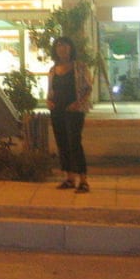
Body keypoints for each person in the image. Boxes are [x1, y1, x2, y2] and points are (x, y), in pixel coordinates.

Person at [46, 36, 92, 193]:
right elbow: (51, 90)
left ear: (71, 48)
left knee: (74, 143)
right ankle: (69, 178)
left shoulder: (79, 67)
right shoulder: (53, 70)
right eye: (58, 46)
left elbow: (88, 88)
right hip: (57, 110)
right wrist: (48, 101)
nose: (61, 49)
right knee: (62, 143)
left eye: (65, 45)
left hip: (74, 110)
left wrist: (78, 103)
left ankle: (83, 180)